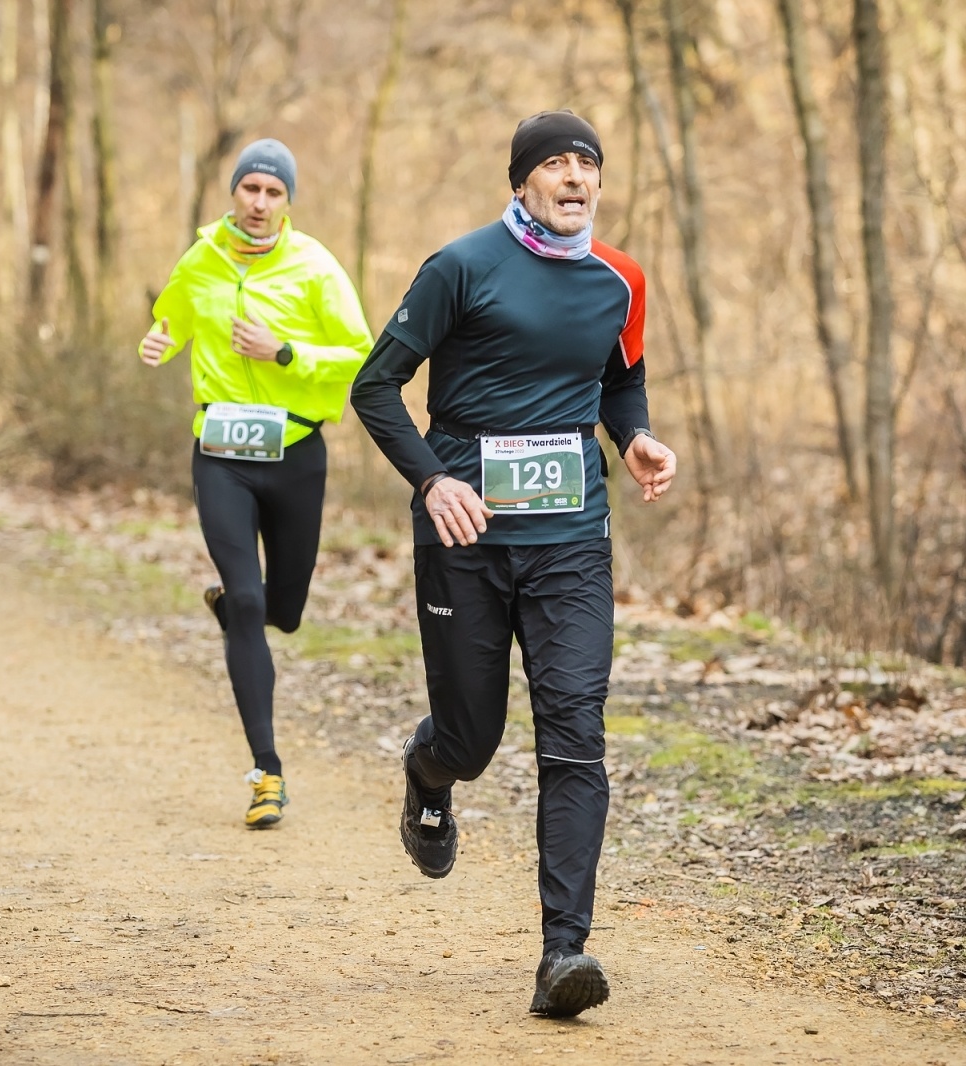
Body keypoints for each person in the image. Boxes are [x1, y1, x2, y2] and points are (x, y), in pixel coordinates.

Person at [350, 110, 676, 1017]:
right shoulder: (462, 267)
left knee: (576, 735)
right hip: (465, 535)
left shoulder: (622, 279)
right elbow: (374, 387)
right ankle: (428, 772)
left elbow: (621, 378)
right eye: (557, 164)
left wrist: (637, 437)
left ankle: (562, 955)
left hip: (571, 535)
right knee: (473, 739)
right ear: (523, 181)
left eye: (590, 165)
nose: (576, 178)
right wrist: (429, 483)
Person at [139, 138, 373, 829]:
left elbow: (360, 353)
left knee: (286, 610)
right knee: (247, 600)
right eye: (251, 189)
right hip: (220, 455)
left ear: (288, 202)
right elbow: (175, 313)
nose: (261, 202)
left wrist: (285, 352)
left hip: (296, 452)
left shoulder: (315, 267)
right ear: (234, 193)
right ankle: (266, 771)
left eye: (274, 192)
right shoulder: (201, 256)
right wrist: (158, 337)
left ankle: (245, 608)